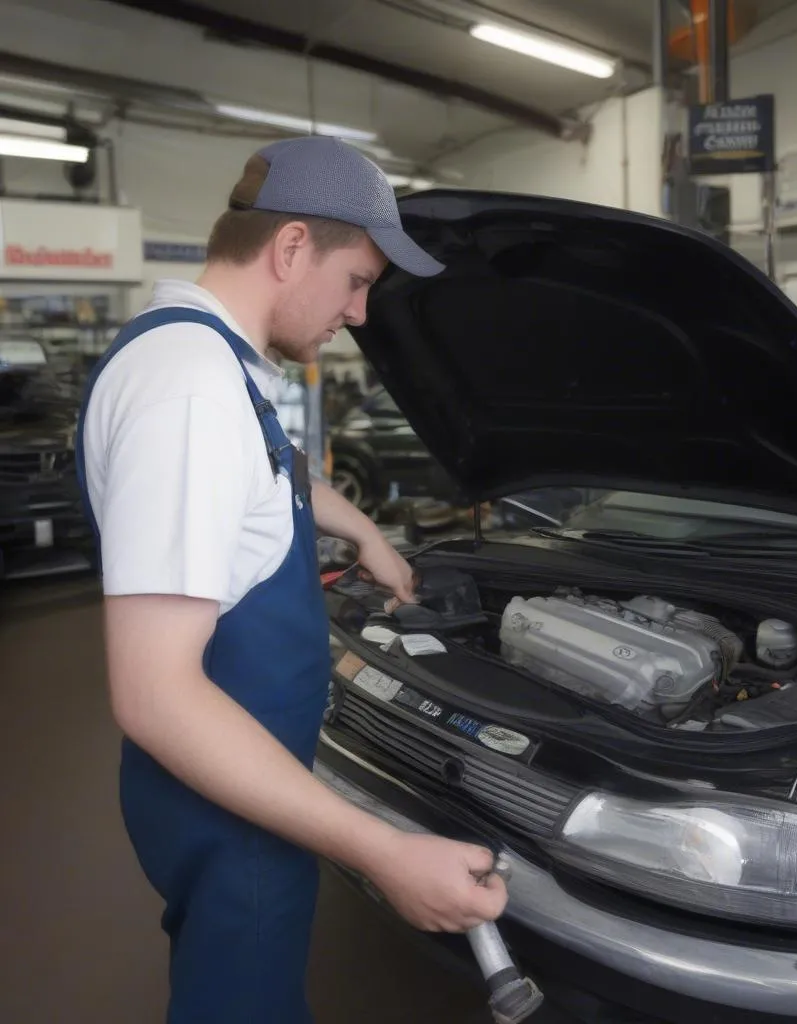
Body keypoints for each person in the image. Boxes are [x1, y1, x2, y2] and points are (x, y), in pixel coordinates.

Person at [76, 136, 507, 1023]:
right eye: (356, 282)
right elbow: (155, 695)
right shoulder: (190, 391)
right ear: (292, 247)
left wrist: (368, 534)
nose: (358, 313)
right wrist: (383, 850)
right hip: (229, 796)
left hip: (232, 778)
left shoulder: (196, 356)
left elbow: (272, 467)